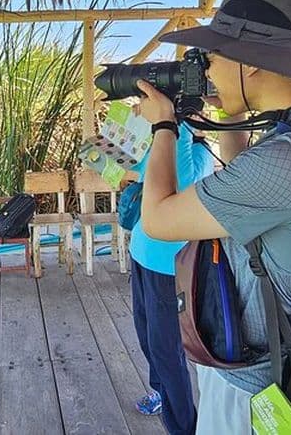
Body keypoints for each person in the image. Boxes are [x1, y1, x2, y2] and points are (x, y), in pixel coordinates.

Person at [135, 0, 291, 432]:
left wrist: (163, 126)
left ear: (252, 62)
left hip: (254, 381)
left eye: (213, 58)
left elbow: (158, 220)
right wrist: (232, 109)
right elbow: (250, 181)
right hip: (289, 350)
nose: (207, 71)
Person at [127, 122, 213, 435]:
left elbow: (178, 184)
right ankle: (160, 392)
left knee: (166, 348)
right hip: (140, 253)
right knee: (146, 334)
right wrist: (106, 150)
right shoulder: (162, 143)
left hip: (168, 266)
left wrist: (176, 124)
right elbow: (137, 172)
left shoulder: (194, 151)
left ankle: (182, 427)